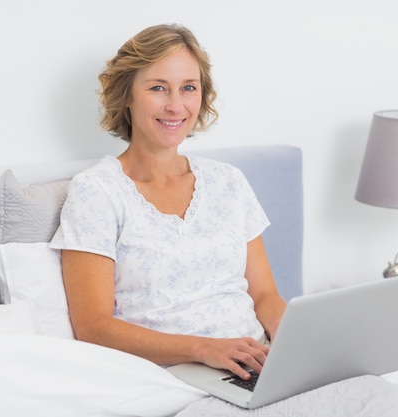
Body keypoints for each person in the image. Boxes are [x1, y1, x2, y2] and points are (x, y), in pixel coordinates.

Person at [49, 23, 287, 381]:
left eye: (188, 88)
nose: (176, 106)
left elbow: (266, 295)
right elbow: (93, 327)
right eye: (158, 88)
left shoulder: (228, 182)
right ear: (127, 95)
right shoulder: (97, 192)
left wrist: (292, 344)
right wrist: (204, 349)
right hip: (171, 375)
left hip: (253, 366)